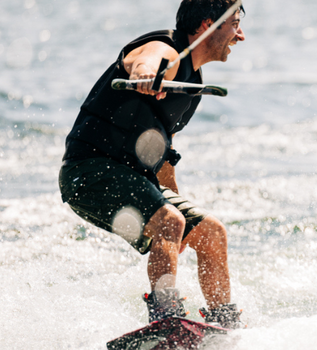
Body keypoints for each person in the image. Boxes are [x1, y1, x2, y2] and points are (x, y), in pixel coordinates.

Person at [57, 0, 246, 328]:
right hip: (88, 172)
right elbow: (148, 60)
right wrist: (147, 74)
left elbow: (162, 157)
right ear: (206, 25)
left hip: (134, 178)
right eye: (234, 24)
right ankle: (165, 322)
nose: (240, 35)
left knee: (210, 232)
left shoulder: (192, 90)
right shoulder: (165, 47)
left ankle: (225, 330)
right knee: (170, 221)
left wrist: (179, 220)